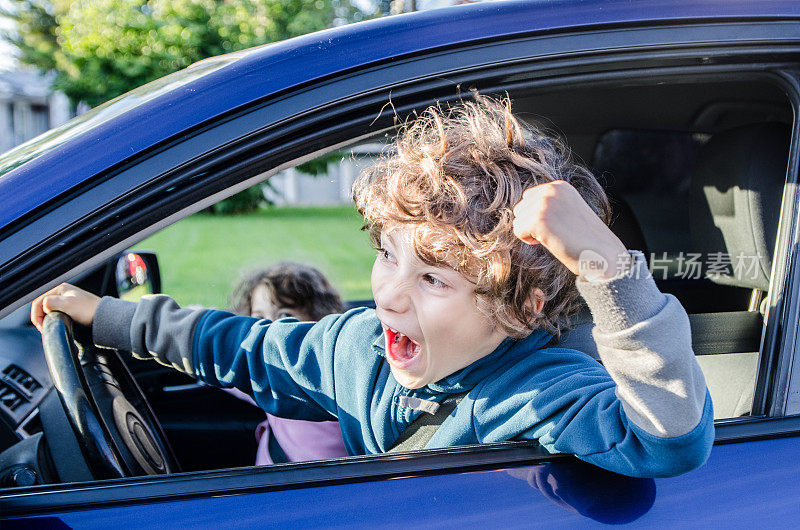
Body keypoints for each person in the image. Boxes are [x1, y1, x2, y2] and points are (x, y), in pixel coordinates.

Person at [31, 95, 713, 478]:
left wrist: (605, 266)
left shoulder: (541, 388)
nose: (387, 294)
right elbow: (239, 346)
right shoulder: (356, 346)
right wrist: (106, 316)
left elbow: (669, 441)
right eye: (387, 255)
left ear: (520, 310)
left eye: (433, 279)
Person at [228, 262, 348, 464]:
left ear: (319, 319)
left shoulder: (315, 373)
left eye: (285, 316)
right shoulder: (264, 366)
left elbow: (225, 362)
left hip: (305, 489)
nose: (269, 327)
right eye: (258, 317)